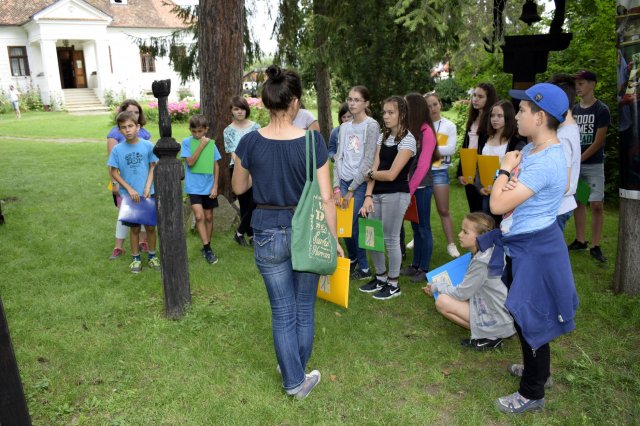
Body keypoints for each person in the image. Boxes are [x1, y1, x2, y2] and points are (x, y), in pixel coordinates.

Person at [232, 65, 343, 399]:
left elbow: (239, 186)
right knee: (303, 307)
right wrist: (334, 240)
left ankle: (293, 373)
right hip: (306, 231)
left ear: (267, 103)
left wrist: (257, 174)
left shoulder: (249, 141)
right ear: (295, 102)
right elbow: (326, 199)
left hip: (265, 231)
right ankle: (295, 376)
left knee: (282, 310)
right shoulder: (313, 142)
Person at [490, 83, 579, 414]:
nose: (517, 115)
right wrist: (511, 175)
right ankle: (538, 372)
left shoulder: (543, 159)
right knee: (524, 314)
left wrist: (503, 169)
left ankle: (532, 392)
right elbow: (513, 190)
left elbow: (498, 202)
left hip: (536, 248)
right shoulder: (531, 151)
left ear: (540, 117)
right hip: (524, 244)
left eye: (523, 110)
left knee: (531, 317)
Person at [423, 212, 515, 350]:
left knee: (442, 301)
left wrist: (437, 286)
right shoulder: (490, 249)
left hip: (498, 318)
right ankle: (491, 333)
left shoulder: (482, 262)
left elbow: (461, 294)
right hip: (501, 311)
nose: (459, 235)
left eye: (465, 232)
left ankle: (490, 337)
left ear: (480, 237)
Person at [358, 96, 416, 300]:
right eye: (384, 112)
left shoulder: (408, 140)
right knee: (372, 237)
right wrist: (367, 195)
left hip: (396, 194)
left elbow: (391, 174)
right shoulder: (382, 138)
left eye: (391, 112)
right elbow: (374, 168)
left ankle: (393, 283)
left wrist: (371, 174)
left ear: (402, 114)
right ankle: (381, 277)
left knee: (391, 239)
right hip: (376, 194)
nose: (386, 116)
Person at [333, 86, 380, 281]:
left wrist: (352, 189)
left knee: (354, 225)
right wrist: (337, 187)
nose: (352, 103)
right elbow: (339, 157)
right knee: (343, 224)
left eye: (357, 100)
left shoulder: (371, 125)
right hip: (343, 180)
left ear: (366, 103)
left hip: (360, 183)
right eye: (350, 99)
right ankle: (354, 260)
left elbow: (368, 160)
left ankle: (363, 266)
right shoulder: (344, 127)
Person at [107, 111, 160, 274]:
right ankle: (136, 258)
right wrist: (129, 189)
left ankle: (152, 256)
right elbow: (114, 172)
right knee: (135, 228)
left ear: (138, 127)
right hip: (129, 196)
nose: (128, 130)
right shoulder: (117, 150)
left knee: (150, 227)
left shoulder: (148, 146)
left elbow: (153, 166)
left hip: (148, 193)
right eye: (123, 127)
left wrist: (147, 187)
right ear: (119, 130)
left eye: (130, 126)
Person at [568, 70, 611, 262]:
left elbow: (599, 142)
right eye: (576, 84)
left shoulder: (601, 110)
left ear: (592, 84)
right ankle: (580, 240)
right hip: (577, 165)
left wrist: (580, 158)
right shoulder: (574, 110)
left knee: (596, 204)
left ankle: (595, 245)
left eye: (582, 83)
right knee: (579, 201)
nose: (578, 87)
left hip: (592, 165)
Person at [401, 93, 437, 283]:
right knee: (415, 228)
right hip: (412, 188)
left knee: (424, 228)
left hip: (421, 187)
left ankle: (424, 267)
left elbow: (423, 167)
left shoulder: (427, 132)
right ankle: (415, 265)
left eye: (406, 107)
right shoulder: (412, 131)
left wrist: (409, 190)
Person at [182, 114, 222, 264]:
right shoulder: (186, 143)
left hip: (208, 186)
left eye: (200, 131)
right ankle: (207, 249)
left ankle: (207, 245)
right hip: (193, 187)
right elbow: (190, 162)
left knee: (209, 217)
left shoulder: (211, 144)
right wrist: (201, 145)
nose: (197, 134)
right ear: (190, 130)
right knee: (199, 217)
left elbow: (216, 165)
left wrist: (215, 186)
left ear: (206, 129)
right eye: (194, 131)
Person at [477, 100, 524, 225]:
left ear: (508, 117)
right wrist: (480, 186)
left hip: (504, 191)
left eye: (499, 116)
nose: (494, 119)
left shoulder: (515, 142)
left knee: (502, 225)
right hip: (486, 190)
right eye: (492, 115)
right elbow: (479, 164)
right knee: (486, 224)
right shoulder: (484, 138)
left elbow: (517, 170)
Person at [425, 92, 460, 258]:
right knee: (421, 210)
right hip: (423, 171)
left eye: (435, 104)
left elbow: (451, 149)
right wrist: (437, 149)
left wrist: (428, 149)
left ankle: (451, 244)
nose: (432, 108)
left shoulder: (449, 125)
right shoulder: (421, 126)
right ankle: (420, 239)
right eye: (428, 106)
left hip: (439, 171)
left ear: (440, 104)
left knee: (443, 209)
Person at [223, 96, 261, 246]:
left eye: (242, 108)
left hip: (256, 168)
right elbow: (233, 153)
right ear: (231, 111)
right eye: (236, 109)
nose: (240, 112)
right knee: (245, 203)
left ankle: (239, 233)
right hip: (237, 168)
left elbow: (260, 149)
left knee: (256, 202)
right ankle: (251, 236)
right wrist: (243, 169)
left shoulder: (256, 127)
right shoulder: (228, 131)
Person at [457, 83, 498, 213]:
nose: (475, 99)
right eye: (474, 95)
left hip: (484, 173)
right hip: (469, 171)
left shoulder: (493, 122)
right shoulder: (472, 119)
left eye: (480, 96)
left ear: (489, 99)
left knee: (485, 213)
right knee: (474, 211)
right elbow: (465, 146)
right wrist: (460, 172)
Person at [549, 74, 581, 231]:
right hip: (562, 205)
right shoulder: (569, 129)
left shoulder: (563, 136)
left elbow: (563, 183)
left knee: (549, 252)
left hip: (557, 207)